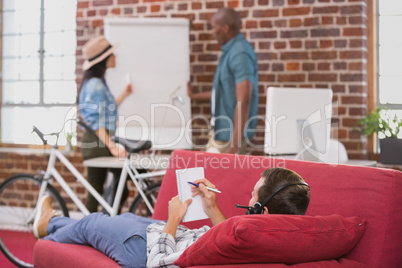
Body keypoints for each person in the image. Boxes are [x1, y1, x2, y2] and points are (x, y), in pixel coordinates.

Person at [33, 167, 310, 268]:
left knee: (92, 222)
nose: (248, 200)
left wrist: (174, 219)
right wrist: (211, 207)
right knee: (124, 215)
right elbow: (230, 239)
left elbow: (158, 265)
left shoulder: (255, 237)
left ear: (261, 209)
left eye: (252, 195)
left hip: (144, 250)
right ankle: (52, 226)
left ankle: (49, 227)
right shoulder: (271, 235)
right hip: (163, 237)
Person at [187, 7, 259, 154]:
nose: (212, 32)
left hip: (230, 138)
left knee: (210, 175)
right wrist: (194, 96)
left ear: (226, 28)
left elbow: (244, 99)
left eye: (214, 27)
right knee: (207, 173)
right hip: (221, 133)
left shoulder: (240, 53)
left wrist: (235, 144)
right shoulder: (230, 51)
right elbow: (222, 92)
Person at [78, 36, 132, 213]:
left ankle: (103, 223)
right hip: (97, 142)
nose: (115, 56)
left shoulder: (99, 82)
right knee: (96, 192)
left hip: (101, 140)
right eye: (112, 54)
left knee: (117, 189)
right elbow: (94, 120)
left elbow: (107, 111)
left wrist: (125, 94)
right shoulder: (95, 85)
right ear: (104, 60)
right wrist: (112, 146)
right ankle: (88, 231)